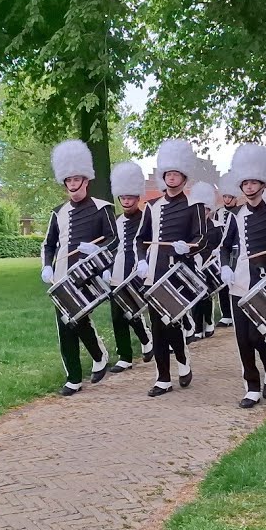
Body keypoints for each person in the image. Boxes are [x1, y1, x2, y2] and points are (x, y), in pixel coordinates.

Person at [41, 140, 118, 396]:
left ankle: (98, 354)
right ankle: (73, 377)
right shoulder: (57, 212)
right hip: (62, 277)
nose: (73, 185)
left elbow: (114, 238)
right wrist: (46, 267)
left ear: (86, 180)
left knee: (79, 320)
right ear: (65, 183)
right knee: (65, 324)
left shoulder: (102, 208)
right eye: (69, 181)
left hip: (89, 274)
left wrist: (98, 251)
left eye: (77, 180)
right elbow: (48, 244)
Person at [218, 143, 266, 408]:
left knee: (257, 334)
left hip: (264, 283)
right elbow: (224, 247)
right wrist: (224, 265)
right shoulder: (235, 216)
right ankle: (251, 386)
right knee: (241, 339)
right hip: (238, 282)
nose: (249, 187)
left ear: (263, 184)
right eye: (245, 183)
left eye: (253, 183)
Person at [136, 139, 205, 397]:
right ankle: (163, 378)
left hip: (178, 274)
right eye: (169, 174)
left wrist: (188, 247)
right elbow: (140, 239)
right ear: (164, 177)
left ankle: (183, 361)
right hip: (153, 273)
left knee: (172, 323)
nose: (172, 178)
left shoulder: (194, 205)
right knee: (157, 327)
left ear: (184, 178)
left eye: (177, 174)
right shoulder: (152, 206)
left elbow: (201, 238)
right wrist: (142, 260)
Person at [105, 160, 153, 374]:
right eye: (123, 197)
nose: (126, 201)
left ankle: (146, 339)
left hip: (138, 270)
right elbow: (112, 245)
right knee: (117, 315)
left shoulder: (146, 218)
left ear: (137, 197)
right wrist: (106, 266)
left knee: (132, 312)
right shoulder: (115, 220)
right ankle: (124, 356)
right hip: (117, 270)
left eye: (130, 197)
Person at [188, 180, 222, 339]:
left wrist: (217, 252)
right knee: (196, 295)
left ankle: (208, 321)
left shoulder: (217, 226)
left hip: (209, 264)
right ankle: (197, 327)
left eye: (206, 209)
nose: (204, 212)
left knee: (207, 295)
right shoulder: (191, 227)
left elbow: (223, 244)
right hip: (195, 263)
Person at [214, 172, 242, 328]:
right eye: (224, 196)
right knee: (222, 282)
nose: (226, 200)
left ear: (235, 197)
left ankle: (237, 311)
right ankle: (226, 314)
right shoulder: (218, 213)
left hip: (237, 250)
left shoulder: (240, 212)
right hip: (222, 249)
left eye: (229, 197)